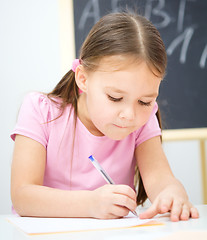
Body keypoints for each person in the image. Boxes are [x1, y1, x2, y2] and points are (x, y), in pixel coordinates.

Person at [10, 11, 199, 221]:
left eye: (145, 102)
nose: (129, 115)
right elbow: (22, 196)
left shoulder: (142, 123)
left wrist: (172, 194)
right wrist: (90, 204)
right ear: (83, 78)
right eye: (115, 97)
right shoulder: (40, 111)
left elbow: (159, 178)